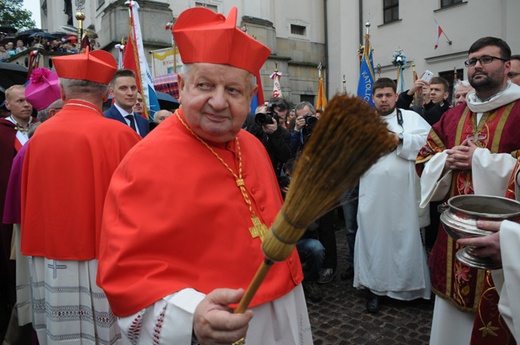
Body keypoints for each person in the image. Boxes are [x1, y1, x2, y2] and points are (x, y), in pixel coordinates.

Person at [97, 7, 313, 345]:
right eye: (205, 85)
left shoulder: (252, 146)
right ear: (182, 86)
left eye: (233, 91)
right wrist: (192, 314)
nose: (218, 102)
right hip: (216, 328)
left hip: (283, 304)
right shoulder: (145, 161)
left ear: (249, 97)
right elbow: (126, 275)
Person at [20, 48, 141, 344]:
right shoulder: (123, 136)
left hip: (49, 257)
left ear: (61, 90)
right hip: (107, 258)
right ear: (106, 95)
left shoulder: (39, 136)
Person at [416, 36, 520, 345]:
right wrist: (445, 161)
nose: (477, 65)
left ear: (507, 66)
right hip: (454, 236)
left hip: (505, 235)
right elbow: (423, 158)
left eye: (487, 59)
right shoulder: (453, 116)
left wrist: (480, 160)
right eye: (472, 60)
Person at [354, 77, 431, 314]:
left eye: (388, 95)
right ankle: (375, 290)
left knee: (404, 237)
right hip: (373, 194)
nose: (384, 99)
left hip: (403, 195)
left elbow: (430, 143)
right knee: (374, 239)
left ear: (396, 96)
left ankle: (410, 289)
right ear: (373, 98)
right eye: (379, 96)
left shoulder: (411, 119)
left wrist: (400, 139)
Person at [0, 85, 34, 341]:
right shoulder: (2, 132)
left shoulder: (41, 127)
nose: (26, 104)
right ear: (8, 104)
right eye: (20, 101)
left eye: (28, 100)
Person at [243, 103, 291, 177]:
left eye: (279, 117)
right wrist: (258, 123)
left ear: (285, 119)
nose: (272, 119)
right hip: (247, 170)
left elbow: (285, 157)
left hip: (268, 174)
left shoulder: (284, 133)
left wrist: (274, 134)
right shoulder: (251, 121)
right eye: (269, 115)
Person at [104, 69, 150, 137]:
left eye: (133, 88)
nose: (130, 93)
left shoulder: (143, 122)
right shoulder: (105, 120)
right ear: (112, 92)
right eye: (123, 88)